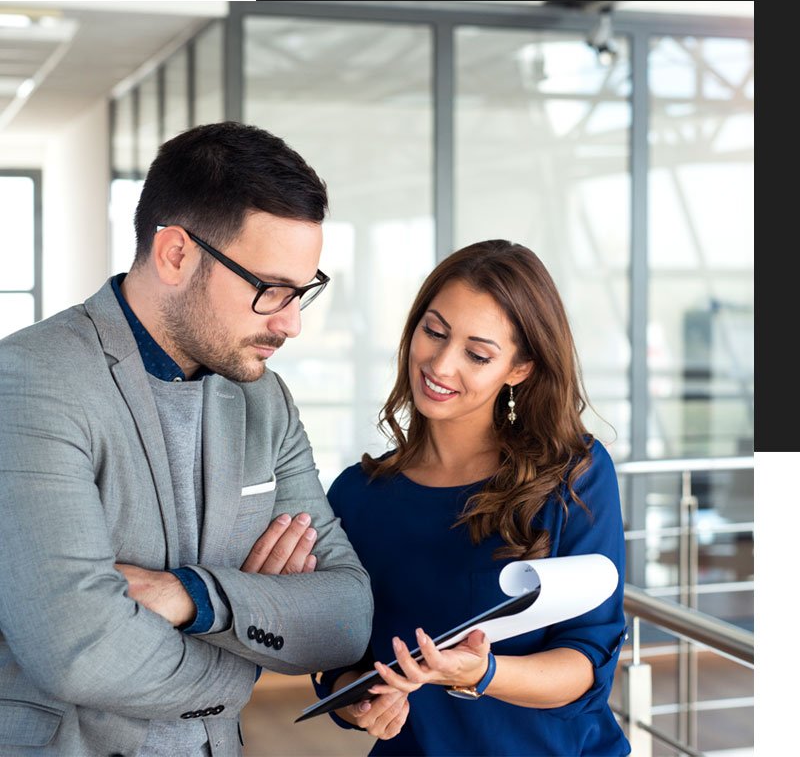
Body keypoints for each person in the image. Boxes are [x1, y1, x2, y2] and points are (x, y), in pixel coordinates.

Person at [0, 121, 373, 756]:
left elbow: (344, 617)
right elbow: (81, 651)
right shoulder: (32, 381)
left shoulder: (264, 400)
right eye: (270, 289)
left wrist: (196, 597)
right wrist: (245, 659)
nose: (290, 323)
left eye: (302, 292)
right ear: (177, 253)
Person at [312, 239, 631, 756]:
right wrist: (356, 703)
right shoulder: (357, 495)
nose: (440, 364)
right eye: (433, 331)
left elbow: (585, 662)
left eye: (477, 354)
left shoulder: (572, 477)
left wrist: (480, 672)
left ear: (519, 369)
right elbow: (339, 654)